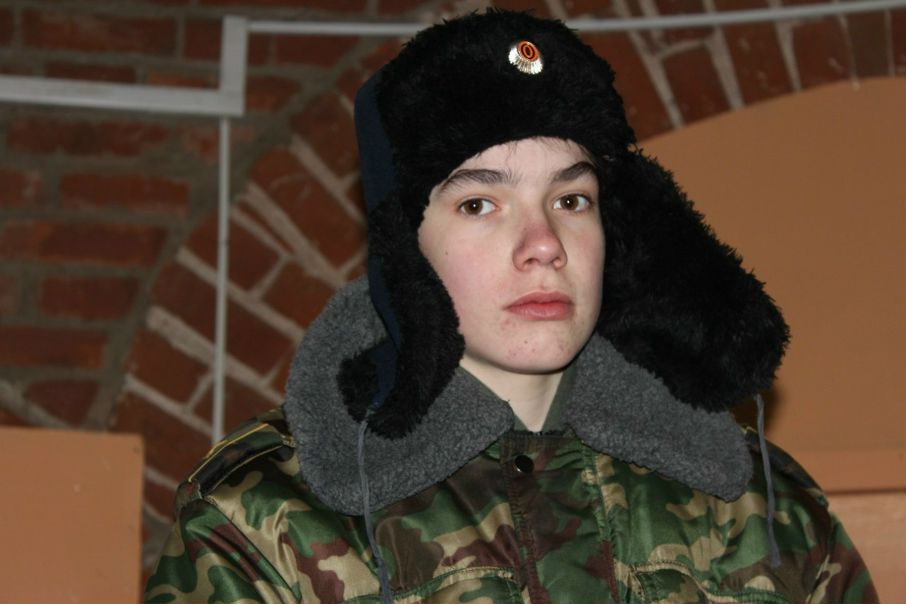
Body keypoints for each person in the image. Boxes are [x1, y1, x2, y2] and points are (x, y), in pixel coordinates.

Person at [144, 10, 877, 604]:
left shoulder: (766, 508)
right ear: (406, 248)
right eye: (479, 204)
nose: (544, 244)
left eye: (571, 199)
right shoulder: (263, 520)